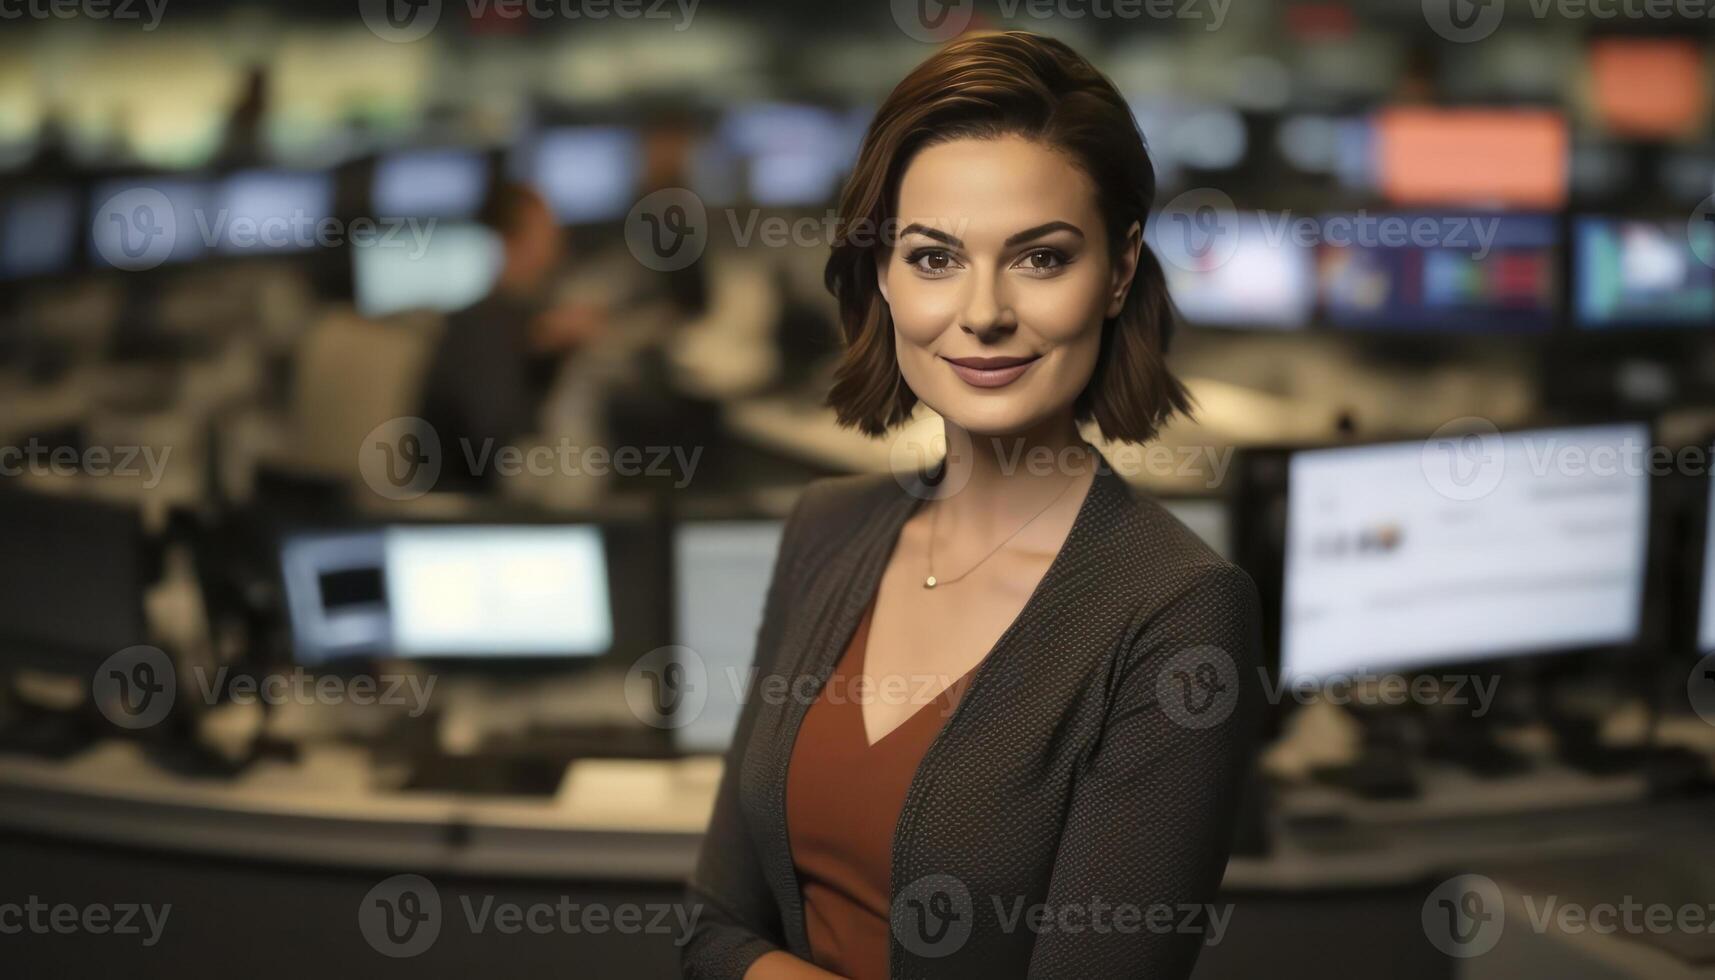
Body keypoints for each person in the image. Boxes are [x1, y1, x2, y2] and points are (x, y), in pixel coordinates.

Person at [683, 32, 1263, 980]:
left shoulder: (1177, 610)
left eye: (1039, 258)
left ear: (1117, 273)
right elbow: (710, 930)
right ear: (882, 273)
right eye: (934, 257)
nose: (982, 311)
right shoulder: (827, 529)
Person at [417, 181, 602, 491]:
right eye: (546, 230)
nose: (558, 241)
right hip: (465, 505)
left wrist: (547, 353)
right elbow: (498, 448)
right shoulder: (478, 329)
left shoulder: (523, 318)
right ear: (510, 241)